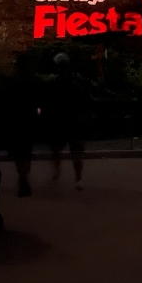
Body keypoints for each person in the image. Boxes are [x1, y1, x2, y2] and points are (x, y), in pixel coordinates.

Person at [43, 52, 87, 191]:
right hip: (73, 120)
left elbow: (48, 103)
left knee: (55, 149)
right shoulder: (76, 83)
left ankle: (56, 173)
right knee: (76, 151)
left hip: (58, 120)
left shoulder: (53, 85)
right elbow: (83, 102)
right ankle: (78, 178)